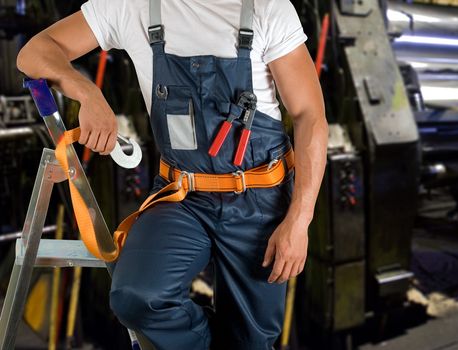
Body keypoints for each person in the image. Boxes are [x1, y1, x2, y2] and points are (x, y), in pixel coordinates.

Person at [16, 0, 328, 348]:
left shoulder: (266, 8)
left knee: (251, 340)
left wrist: (299, 221)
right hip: (181, 196)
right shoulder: (131, 7)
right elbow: (35, 52)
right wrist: (87, 93)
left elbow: (310, 116)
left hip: (259, 201)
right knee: (137, 297)